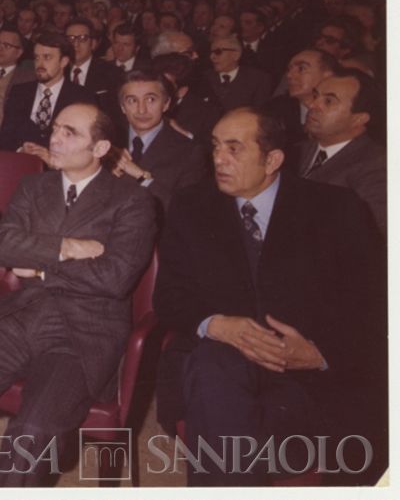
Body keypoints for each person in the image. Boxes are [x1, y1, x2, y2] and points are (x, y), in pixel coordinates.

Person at [0, 103, 155, 486]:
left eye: (69, 132)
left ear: (101, 148)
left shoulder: (133, 201)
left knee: (32, 428)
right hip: (21, 314)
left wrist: (40, 267)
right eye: (55, 128)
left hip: (83, 333)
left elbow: (114, 278)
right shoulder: (32, 185)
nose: (54, 138)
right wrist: (69, 247)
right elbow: (4, 248)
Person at [153, 108, 385, 485]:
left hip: (305, 375)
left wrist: (319, 354)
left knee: (227, 419)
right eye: (214, 147)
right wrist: (218, 324)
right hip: (219, 361)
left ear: (273, 159)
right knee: (214, 369)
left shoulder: (336, 208)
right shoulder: (192, 204)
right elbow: (169, 296)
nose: (218, 159)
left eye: (234, 149)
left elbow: (373, 307)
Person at [295, 68, 387, 232]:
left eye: (329, 101)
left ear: (358, 119)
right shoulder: (294, 150)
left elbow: (374, 235)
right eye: (316, 96)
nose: (312, 105)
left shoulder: (377, 166)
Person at [112, 70, 207, 216]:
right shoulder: (107, 142)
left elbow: (185, 213)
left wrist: (141, 176)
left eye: (150, 100)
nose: (141, 110)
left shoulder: (188, 152)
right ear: (122, 107)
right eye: (132, 100)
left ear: (166, 104)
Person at [0, 31, 97, 152]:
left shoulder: (82, 97)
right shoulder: (19, 92)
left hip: (62, 167)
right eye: (37, 58)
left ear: (63, 61)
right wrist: (21, 150)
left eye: (47, 57)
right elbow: (4, 139)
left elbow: (85, 146)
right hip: (22, 164)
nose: (40, 64)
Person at [263, 48, 335, 147]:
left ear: (327, 76)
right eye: (289, 70)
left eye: (301, 68)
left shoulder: (340, 116)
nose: (289, 75)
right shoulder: (274, 110)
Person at [205, 35, 272, 110]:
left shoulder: (258, 79)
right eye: (211, 52)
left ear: (236, 55)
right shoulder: (204, 78)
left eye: (218, 52)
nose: (212, 57)